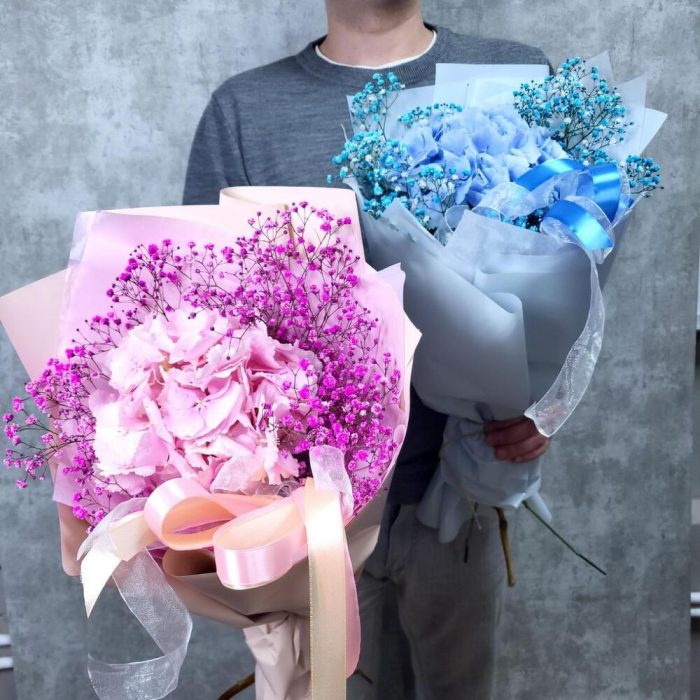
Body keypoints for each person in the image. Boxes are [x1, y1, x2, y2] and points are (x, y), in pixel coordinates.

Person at [184, 2, 551, 697]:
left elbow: (571, 256)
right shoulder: (246, 110)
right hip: (307, 508)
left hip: (461, 486)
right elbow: (203, 312)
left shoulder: (515, 77)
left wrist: (547, 401)